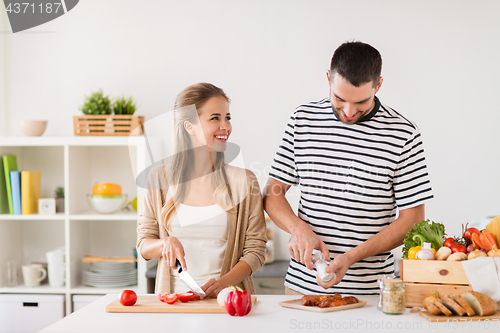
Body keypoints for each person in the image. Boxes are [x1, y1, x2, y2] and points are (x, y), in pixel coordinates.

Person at [263, 41, 433, 296]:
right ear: (329, 79)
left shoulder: (404, 134)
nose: (349, 112)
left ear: (379, 85)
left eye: (361, 102)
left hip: (371, 294)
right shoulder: (303, 120)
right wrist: (299, 229)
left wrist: (351, 257)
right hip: (302, 290)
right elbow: (273, 192)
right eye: (339, 99)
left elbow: (412, 221)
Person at [137, 83, 267, 297]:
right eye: (215, 118)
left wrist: (223, 283)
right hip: (173, 303)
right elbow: (143, 244)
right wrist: (164, 243)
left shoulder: (244, 181)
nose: (225, 126)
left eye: (228, 117)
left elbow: (256, 250)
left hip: (228, 302)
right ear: (189, 126)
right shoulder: (158, 179)